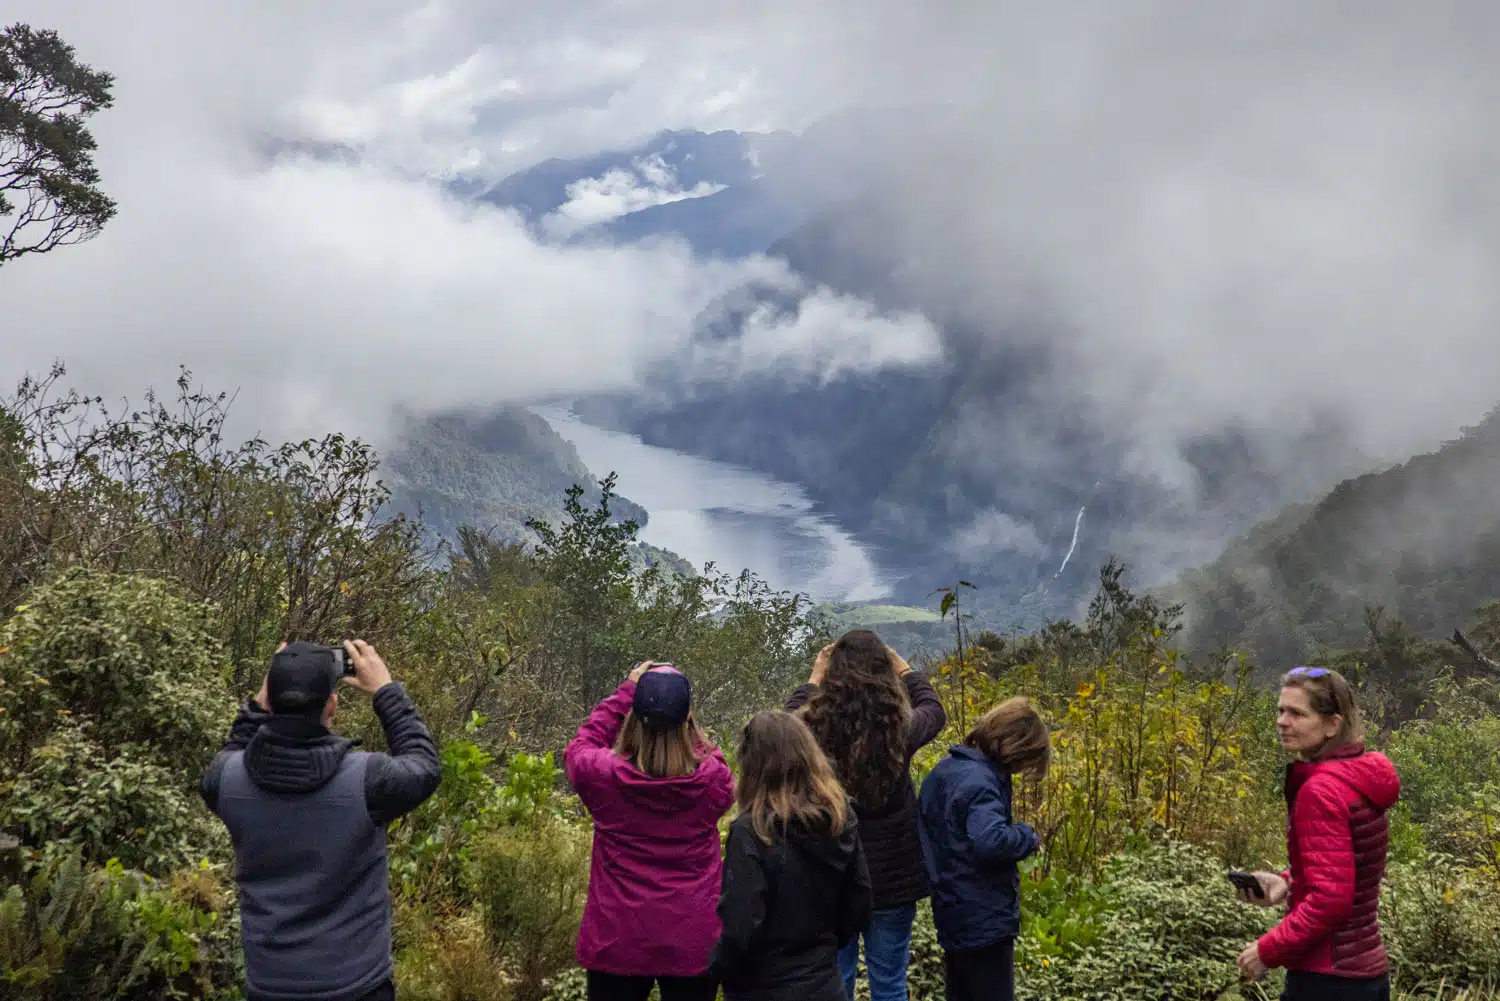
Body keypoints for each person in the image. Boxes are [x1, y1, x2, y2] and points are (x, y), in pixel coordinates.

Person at [200, 640, 441, 1001]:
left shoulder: (226, 782)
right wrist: (386, 692)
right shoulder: (367, 783)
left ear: (271, 702)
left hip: (269, 987)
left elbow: (233, 751)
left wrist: (258, 707)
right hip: (359, 986)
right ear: (332, 704)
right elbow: (424, 766)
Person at [787, 629, 947, 1001]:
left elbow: (784, 723)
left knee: (836, 978)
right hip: (893, 876)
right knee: (889, 981)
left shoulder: (816, 728)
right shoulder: (899, 728)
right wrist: (905, 669)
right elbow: (935, 711)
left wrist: (813, 678)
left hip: (833, 869)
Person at [565, 661, 736, 1001]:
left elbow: (580, 745)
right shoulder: (712, 781)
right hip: (691, 937)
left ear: (633, 716)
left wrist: (625, 692)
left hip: (617, 936)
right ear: (687, 721)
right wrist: (689, 731)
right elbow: (712, 757)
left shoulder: (603, 777)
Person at [1234, 666, 1401, 1001]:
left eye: (1296, 713)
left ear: (1332, 725)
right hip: (1366, 975)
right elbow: (1347, 868)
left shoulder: (1320, 791)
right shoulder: (1358, 778)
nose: (1282, 721)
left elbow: (1331, 902)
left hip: (1327, 981)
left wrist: (1268, 950)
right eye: (1281, 710)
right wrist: (1288, 881)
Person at [711, 710, 874, 1001]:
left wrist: (717, 969)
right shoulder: (839, 819)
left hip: (762, 988)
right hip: (824, 983)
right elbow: (859, 900)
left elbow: (741, 925)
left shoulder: (752, 831)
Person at [916, 697, 1050, 1001]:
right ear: (1017, 748)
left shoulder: (947, 770)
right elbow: (990, 841)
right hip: (984, 918)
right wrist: (1026, 837)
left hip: (952, 910)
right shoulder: (982, 783)